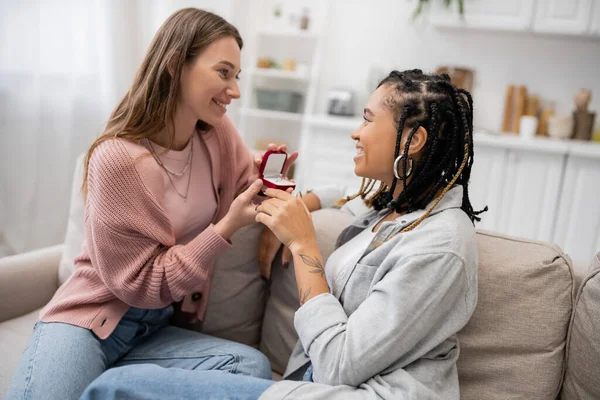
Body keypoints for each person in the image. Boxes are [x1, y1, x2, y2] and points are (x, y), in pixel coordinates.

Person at [80, 69, 486, 400]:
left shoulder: (440, 247)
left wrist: (303, 244)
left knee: (115, 388)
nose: (355, 133)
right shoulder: (402, 208)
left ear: (413, 140)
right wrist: (300, 201)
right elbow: (344, 197)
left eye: (367, 119)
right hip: (311, 387)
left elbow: (340, 365)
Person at [5, 8, 299, 400]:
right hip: (89, 324)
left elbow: (244, 186)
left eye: (237, 76)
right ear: (176, 65)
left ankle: (114, 386)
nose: (236, 91)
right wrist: (225, 227)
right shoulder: (118, 160)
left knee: (249, 368)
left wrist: (268, 183)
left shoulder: (218, 136)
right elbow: (143, 284)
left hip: (154, 329)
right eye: (224, 73)